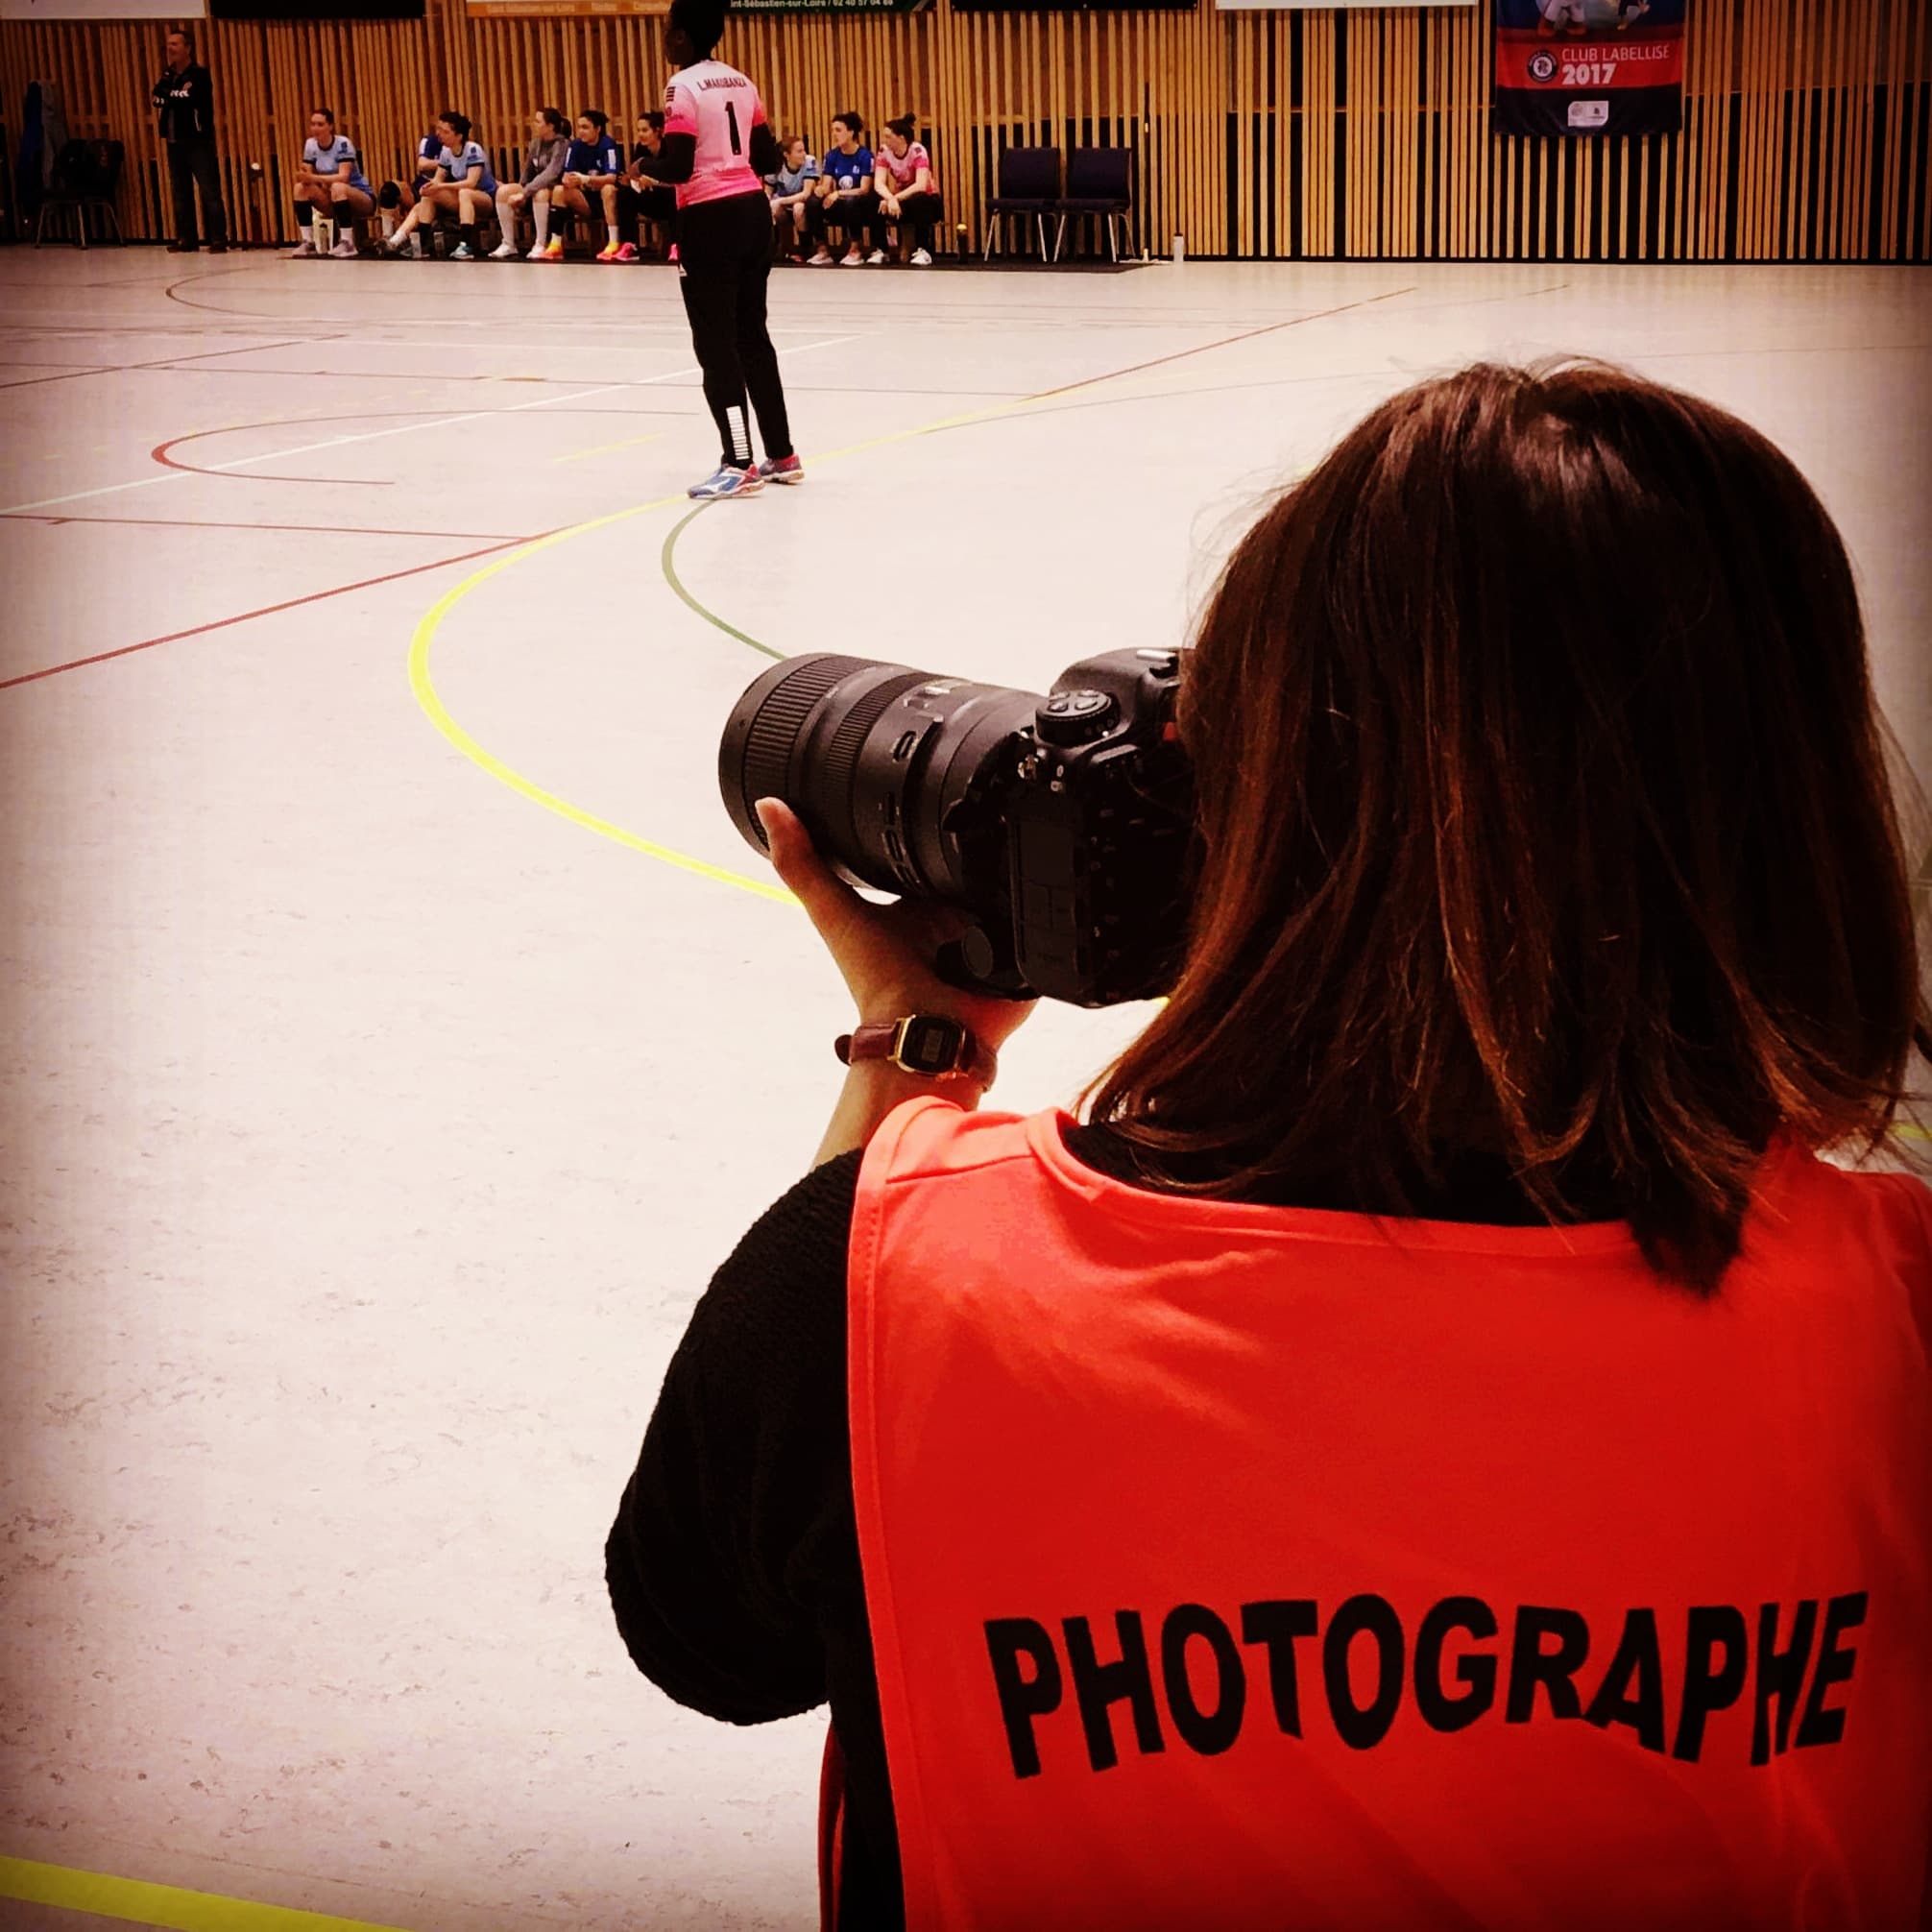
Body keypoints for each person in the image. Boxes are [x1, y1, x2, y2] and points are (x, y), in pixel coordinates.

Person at [605, 361, 1932, 1928]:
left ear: (1242, 804)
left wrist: (919, 1046)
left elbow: (705, 1640)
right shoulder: (1891, 1315)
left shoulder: (890, 1287)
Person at [634, 0, 801, 497]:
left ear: (683, 37)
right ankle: (782, 454)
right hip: (752, 211)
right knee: (753, 335)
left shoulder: (680, 88)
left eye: (667, 30)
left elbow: (680, 167)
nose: (664, 38)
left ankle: (738, 462)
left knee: (714, 343)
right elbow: (768, 157)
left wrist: (642, 166)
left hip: (708, 219)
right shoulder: (741, 81)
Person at [152, 25, 227, 254]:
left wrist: (171, 97)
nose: (170, 48)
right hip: (174, 142)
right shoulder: (168, 74)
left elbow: (191, 99)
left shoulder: (199, 74)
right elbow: (157, 98)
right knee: (180, 191)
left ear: (188, 48)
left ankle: (218, 239)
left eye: (175, 44)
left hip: (197, 141)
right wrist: (175, 96)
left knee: (208, 190)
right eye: (169, 44)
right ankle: (187, 239)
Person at [381, 111, 495, 258]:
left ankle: (466, 245)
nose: (439, 134)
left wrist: (441, 187)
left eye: (445, 131)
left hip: (485, 199)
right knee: (429, 195)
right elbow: (437, 179)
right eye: (439, 130)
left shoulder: (472, 149)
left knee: (464, 193)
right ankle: (407, 243)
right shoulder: (446, 152)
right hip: (462, 200)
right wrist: (429, 187)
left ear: (459, 136)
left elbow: (471, 183)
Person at [289, 109, 373, 259]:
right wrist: (303, 176)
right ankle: (308, 242)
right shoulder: (310, 145)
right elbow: (308, 176)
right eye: (313, 124)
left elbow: (343, 177)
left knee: (338, 186)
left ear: (330, 126)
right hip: (332, 197)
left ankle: (348, 243)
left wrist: (314, 178)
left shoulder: (343, 144)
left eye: (320, 124)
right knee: (300, 189)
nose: (315, 128)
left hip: (359, 196)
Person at [491, 107, 569, 259]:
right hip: (533, 187)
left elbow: (551, 173)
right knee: (504, 191)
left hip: (554, 189)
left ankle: (540, 243)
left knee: (540, 193)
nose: (534, 124)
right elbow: (528, 170)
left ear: (550, 126)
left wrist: (524, 193)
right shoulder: (535, 143)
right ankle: (508, 243)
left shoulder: (562, 144)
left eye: (538, 121)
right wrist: (521, 188)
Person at [553, 109, 627, 262]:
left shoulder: (608, 144)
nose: (581, 131)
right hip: (586, 199)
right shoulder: (575, 146)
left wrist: (585, 179)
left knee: (608, 189)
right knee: (559, 190)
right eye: (579, 127)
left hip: (607, 199)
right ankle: (555, 245)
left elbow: (612, 178)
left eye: (585, 127)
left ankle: (614, 243)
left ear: (598, 129)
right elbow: (567, 173)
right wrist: (568, 180)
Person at [806, 112, 875, 268]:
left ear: (850, 132)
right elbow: (826, 184)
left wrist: (838, 193)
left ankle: (855, 249)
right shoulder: (832, 155)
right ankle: (822, 250)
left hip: (859, 204)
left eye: (838, 130)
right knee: (812, 202)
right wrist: (820, 190)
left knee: (851, 202)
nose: (834, 134)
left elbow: (864, 189)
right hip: (839, 203)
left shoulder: (865, 155)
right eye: (833, 130)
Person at [872, 113, 940, 266]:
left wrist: (895, 199)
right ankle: (882, 250)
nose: (884, 140)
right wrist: (889, 198)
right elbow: (878, 183)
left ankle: (923, 250)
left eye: (888, 137)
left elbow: (920, 185)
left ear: (901, 138)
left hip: (927, 200)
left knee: (919, 199)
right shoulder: (884, 151)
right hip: (900, 199)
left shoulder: (917, 151)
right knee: (874, 199)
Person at [619, 111, 680, 260]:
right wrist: (631, 181)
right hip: (651, 199)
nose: (641, 134)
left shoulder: (670, 149)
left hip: (670, 200)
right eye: (639, 130)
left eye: (645, 130)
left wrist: (654, 182)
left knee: (674, 195)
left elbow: (678, 180)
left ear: (657, 131)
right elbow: (634, 173)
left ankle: (676, 245)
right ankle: (630, 245)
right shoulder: (641, 149)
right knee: (624, 194)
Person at [766, 133, 819, 262]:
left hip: (802, 202)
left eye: (804, 150)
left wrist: (779, 201)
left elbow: (806, 193)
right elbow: (768, 191)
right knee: (774, 210)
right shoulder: (775, 165)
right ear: (786, 155)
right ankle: (784, 249)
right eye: (799, 151)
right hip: (783, 204)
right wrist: (769, 203)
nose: (804, 154)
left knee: (798, 208)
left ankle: (805, 249)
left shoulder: (809, 161)